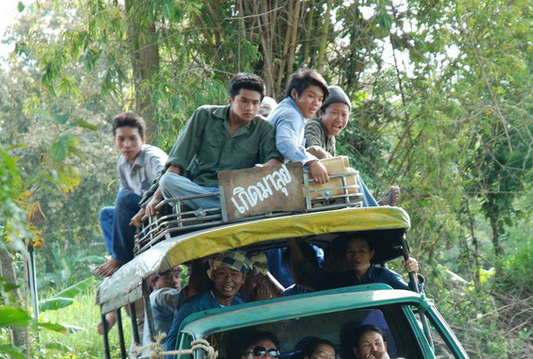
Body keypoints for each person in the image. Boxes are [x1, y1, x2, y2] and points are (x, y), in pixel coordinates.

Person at [132, 73, 283, 224]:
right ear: (230, 101)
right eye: (244, 101)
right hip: (199, 191)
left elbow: (275, 162)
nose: (249, 108)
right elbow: (176, 163)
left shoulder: (264, 128)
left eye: (255, 103)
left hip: (237, 194)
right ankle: (219, 211)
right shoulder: (204, 115)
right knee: (168, 180)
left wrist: (257, 170)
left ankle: (202, 212)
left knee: (258, 192)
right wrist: (155, 198)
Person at [163, 250, 251, 359]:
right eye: (222, 273)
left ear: (243, 278)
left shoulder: (240, 305)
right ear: (213, 275)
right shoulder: (193, 307)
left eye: (235, 274)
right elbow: (173, 347)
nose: (228, 280)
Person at [95, 112, 167, 277]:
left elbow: (168, 182)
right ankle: (115, 255)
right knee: (107, 214)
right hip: (139, 211)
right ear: (114, 141)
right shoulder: (122, 163)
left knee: (124, 198)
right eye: (121, 139)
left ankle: (121, 257)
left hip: (158, 208)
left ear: (143, 139)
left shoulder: (153, 157)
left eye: (132, 139)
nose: (127, 144)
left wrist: (143, 209)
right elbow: (124, 193)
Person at [304, 85, 399, 207]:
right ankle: (374, 207)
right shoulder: (314, 125)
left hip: (320, 184)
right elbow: (313, 150)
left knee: (351, 175)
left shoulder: (331, 138)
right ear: (321, 113)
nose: (339, 119)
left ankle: (372, 205)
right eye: (334, 113)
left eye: (344, 115)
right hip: (307, 184)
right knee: (351, 173)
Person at [288, 233, 421, 292]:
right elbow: (311, 277)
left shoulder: (385, 276)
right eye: (350, 251)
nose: (355, 256)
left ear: (371, 254)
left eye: (361, 251)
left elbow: (414, 294)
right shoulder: (341, 280)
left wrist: (414, 273)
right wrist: (294, 246)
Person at [267, 69, 332, 184]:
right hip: (269, 180)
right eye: (311, 96)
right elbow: (285, 144)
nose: (316, 103)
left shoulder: (285, 108)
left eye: (320, 99)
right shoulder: (291, 114)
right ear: (294, 94)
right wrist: (311, 161)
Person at [137, 267, 182, 359]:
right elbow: (185, 301)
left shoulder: (152, 298)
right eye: (167, 278)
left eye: (177, 277)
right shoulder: (161, 295)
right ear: (154, 284)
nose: (174, 281)